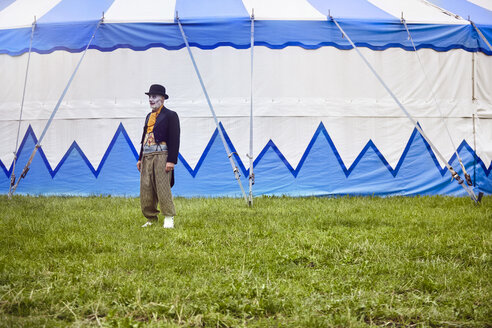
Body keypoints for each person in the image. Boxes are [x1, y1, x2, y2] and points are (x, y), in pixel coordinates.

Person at [137, 84, 180, 228]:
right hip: (147, 156)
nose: (151, 99)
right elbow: (144, 137)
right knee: (146, 187)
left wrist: (171, 160)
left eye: (154, 96)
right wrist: (139, 157)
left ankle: (168, 217)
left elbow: (175, 138)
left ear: (162, 99)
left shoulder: (170, 115)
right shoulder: (148, 116)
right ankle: (150, 218)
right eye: (149, 97)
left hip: (162, 155)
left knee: (162, 186)